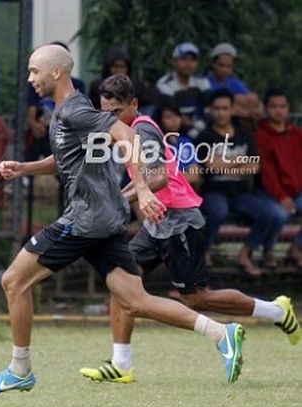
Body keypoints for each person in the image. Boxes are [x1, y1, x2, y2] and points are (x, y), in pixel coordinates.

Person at [0, 45, 245, 394]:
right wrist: (26, 167)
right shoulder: (67, 113)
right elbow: (66, 159)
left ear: (56, 72)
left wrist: (144, 190)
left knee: (14, 281)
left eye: (34, 71)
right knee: (135, 300)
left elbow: (127, 134)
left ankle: (20, 369)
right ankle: (222, 334)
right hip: (105, 218)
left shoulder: (74, 110)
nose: (30, 79)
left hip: (86, 218)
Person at [79, 75, 298, 383]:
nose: (109, 118)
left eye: (115, 112)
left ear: (134, 105)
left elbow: (158, 178)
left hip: (180, 219)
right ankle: (121, 364)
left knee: (196, 298)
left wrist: (117, 198)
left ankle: (276, 311)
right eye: (105, 112)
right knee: (122, 282)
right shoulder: (124, 130)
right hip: (157, 222)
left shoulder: (142, 130)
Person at [196, 89, 281, 275]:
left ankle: (245, 253)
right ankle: (204, 250)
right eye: (216, 108)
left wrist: (225, 163)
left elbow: (254, 167)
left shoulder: (244, 135)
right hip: (214, 191)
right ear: (210, 110)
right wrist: (239, 161)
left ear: (232, 109)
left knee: (272, 213)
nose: (221, 112)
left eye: (225, 108)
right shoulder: (205, 137)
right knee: (217, 211)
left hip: (241, 194)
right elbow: (211, 166)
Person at [254, 87, 302, 269]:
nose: (279, 110)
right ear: (266, 109)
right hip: (269, 192)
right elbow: (267, 172)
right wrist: (281, 196)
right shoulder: (261, 135)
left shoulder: (297, 134)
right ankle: (267, 251)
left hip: (296, 192)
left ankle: (297, 248)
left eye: (282, 106)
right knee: (279, 214)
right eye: (274, 106)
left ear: (288, 108)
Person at [156, 42, 211, 138]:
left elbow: (209, 106)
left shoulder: (202, 82)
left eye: (193, 60)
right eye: (184, 59)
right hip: (175, 128)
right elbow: (174, 111)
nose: (188, 64)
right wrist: (193, 127)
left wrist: (200, 124)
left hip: (199, 124)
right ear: (174, 62)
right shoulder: (164, 83)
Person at [207, 43, 260, 121]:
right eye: (221, 65)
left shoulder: (233, 82)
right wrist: (247, 113)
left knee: (252, 97)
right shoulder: (205, 82)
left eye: (228, 66)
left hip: (238, 118)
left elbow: (251, 98)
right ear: (212, 64)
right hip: (215, 118)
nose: (224, 70)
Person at [153, 99, 200, 187]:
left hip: (185, 192)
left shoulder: (186, 142)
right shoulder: (156, 144)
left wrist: (173, 176)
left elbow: (194, 176)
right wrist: (183, 175)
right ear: (160, 120)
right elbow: (158, 177)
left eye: (177, 116)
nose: (174, 120)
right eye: (168, 117)